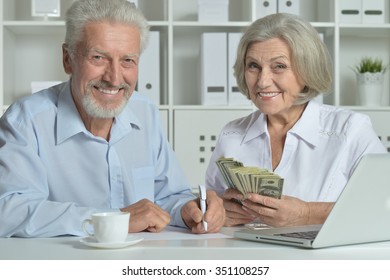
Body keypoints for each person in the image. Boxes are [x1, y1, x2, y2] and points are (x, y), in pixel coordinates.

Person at [0, 0, 224, 238]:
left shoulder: (145, 111)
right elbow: (9, 211)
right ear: (68, 59)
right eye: (98, 57)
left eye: (128, 60)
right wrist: (115, 220)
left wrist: (187, 210)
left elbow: (167, 196)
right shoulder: (25, 120)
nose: (115, 78)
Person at [205, 13, 386, 228]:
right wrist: (219, 212)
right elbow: (211, 201)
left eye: (279, 66)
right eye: (253, 65)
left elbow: (384, 205)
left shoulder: (349, 130)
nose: (262, 81)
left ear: (307, 69)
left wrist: (308, 214)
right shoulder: (232, 134)